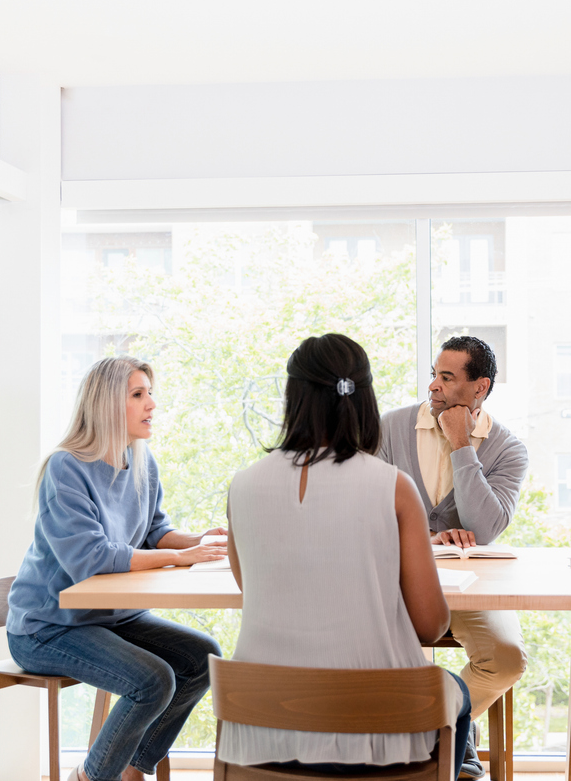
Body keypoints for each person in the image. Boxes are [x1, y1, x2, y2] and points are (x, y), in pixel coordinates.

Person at [221, 334, 473, 773]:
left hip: (262, 727)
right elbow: (431, 626)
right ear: (363, 398)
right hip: (379, 727)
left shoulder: (241, 487)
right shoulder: (393, 486)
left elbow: (255, 591)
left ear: (292, 397)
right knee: (457, 694)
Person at [6, 356, 227, 781]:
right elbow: (90, 558)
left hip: (112, 617)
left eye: (150, 393)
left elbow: (155, 530)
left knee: (202, 657)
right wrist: (179, 558)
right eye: (139, 394)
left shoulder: (142, 462)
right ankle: (89, 777)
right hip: (48, 628)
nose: (152, 404)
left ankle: (128, 768)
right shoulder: (65, 468)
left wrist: (200, 541)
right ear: (108, 404)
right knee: (153, 679)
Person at [377, 336, 529, 779]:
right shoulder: (389, 429)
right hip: (395, 580)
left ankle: (449, 725)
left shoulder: (506, 448)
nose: (433, 386)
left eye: (447, 378)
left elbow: (485, 528)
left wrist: (462, 444)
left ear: (479, 387)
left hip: (470, 587)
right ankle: (451, 734)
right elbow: (364, 513)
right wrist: (427, 537)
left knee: (506, 658)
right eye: (434, 374)